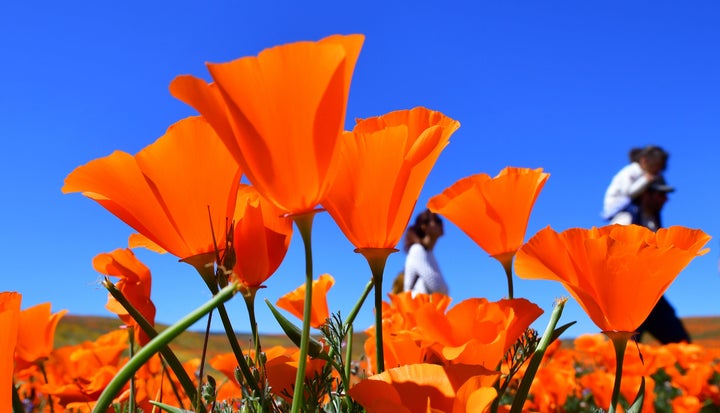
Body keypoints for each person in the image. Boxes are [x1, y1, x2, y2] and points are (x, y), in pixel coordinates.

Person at [631, 177, 692, 344]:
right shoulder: (626, 219)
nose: (666, 199)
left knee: (680, 342)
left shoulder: (653, 220)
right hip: (630, 297)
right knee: (626, 346)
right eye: (660, 194)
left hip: (651, 294)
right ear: (645, 195)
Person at [602, 145, 669, 225]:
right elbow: (628, 192)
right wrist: (645, 180)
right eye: (655, 168)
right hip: (619, 205)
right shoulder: (630, 171)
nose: (656, 173)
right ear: (644, 161)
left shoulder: (646, 174)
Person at [402, 209, 449, 296]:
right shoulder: (417, 250)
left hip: (426, 305)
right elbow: (437, 286)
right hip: (415, 306)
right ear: (424, 227)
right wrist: (445, 289)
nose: (442, 224)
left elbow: (442, 289)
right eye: (437, 221)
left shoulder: (429, 253)